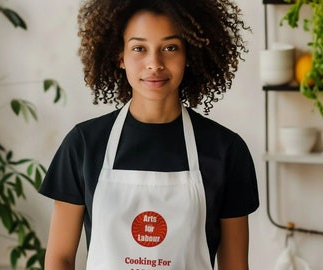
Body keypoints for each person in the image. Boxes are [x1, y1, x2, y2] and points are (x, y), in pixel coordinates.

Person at [39, 0, 259, 269]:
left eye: (170, 48)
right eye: (139, 48)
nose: (154, 63)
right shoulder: (84, 144)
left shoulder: (227, 150)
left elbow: (235, 265)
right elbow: (59, 258)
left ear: (188, 54)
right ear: (120, 56)